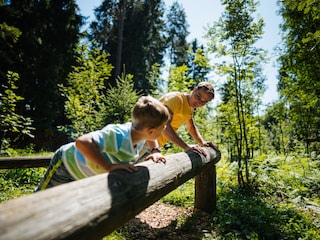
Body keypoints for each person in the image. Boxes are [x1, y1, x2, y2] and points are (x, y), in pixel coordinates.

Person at [35, 96, 170, 191]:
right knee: (42, 199)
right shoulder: (118, 135)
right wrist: (109, 166)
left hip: (84, 175)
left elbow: (150, 138)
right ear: (151, 130)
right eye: (163, 126)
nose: (165, 129)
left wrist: (155, 151)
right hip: (66, 164)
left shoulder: (140, 135)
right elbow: (82, 142)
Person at [154, 82, 217, 156]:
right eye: (198, 97)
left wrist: (202, 142)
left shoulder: (190, 108)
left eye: (204, 102)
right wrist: (186, 147)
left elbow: (191, 127)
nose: (199, 102)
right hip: (144, 139)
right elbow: (164, 125)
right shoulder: (176, 99)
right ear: (194, 89)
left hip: (155, 145)